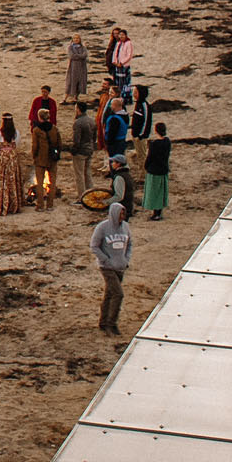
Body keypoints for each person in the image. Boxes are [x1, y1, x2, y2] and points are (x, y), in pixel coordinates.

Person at [91, 202, 132, 334]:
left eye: (123, 214)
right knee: (118, 294)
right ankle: (112, 324)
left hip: (120, 267)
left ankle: (103, 322)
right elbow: (94, 246)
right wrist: (105, 259)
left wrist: (126, 259)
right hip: (107, 267)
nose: (122, 216)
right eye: (120, 214)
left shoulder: (126, 227)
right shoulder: (102, 227)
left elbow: (129, 244)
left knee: (109, 294)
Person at [0, 116, 27, 215]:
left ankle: (0, 205)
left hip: (1, 159)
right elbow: (17, 145)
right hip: (12, 159)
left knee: (1, 180)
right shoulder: (16, 132)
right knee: (12, 180)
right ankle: (13, 205)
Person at [27, 102, 59, 207]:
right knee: (52, 182)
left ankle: (40, 205)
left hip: (40, 158)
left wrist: (34, 156)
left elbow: (35, 146)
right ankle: (50, 204)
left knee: (40, 183)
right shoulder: (54, 129)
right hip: (52, 158)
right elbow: (59, 143)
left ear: (39, 117)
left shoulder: (36, 130)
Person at [142, 124, 172, 220]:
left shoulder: (154, 144)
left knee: (154, 193)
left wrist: (146, 166)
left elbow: (150, 157)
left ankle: (156, 214)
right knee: (160, 192)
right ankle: (159, 212)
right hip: (163, 169)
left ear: (156, 131)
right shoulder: (167, 142)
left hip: (154, 171)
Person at [70, 102, 97, 195]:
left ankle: (81, 196)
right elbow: (94, 137)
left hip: (81, 151)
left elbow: (76, 140)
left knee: (79, 175)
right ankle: (90, 193)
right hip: (89, 149)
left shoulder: (78, 123)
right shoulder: (92, 120)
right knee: (88, 173)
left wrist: (73, 150)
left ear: (78, 109)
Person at [65, 35, 89, 102]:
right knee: (70, 82)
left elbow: (85, 55)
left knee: (80, 82)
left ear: (80, 39)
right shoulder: (70, 47)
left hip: (82, 67)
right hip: (73, 67)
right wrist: (80, 56)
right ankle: (65, 98)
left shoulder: (83, 47)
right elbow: (71, 56)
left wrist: (77, 56)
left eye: (77, 38)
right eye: (74, 38)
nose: (76, 39)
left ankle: (76, 97)